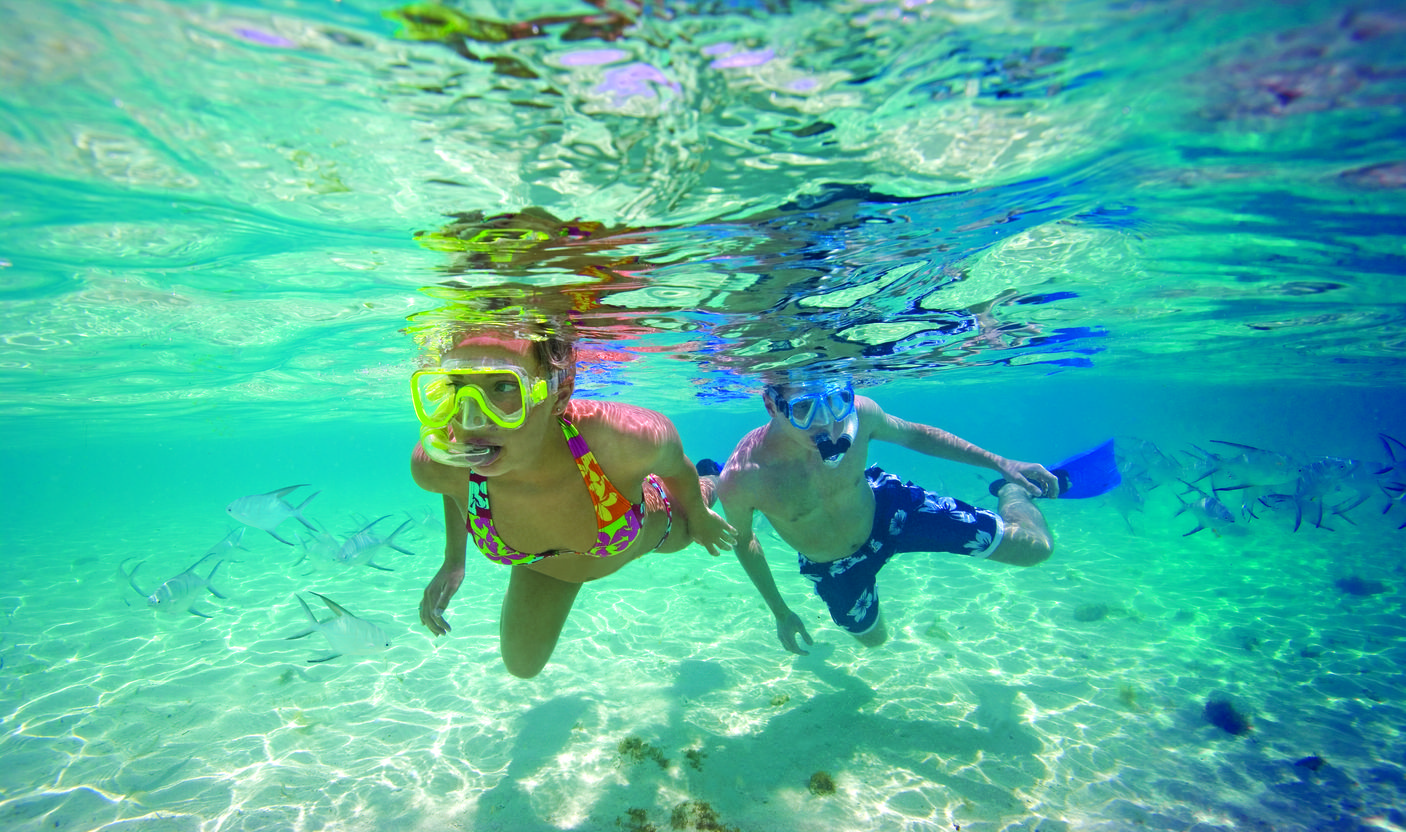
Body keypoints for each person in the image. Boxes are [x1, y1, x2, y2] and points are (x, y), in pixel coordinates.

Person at [410, 328, 736, 678]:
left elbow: (676, 466)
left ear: (559, 396)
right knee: (522, 667)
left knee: (699, 499)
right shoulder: (439, 463)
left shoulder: (626, 439)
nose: (471, 419)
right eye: (456, 387)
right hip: (546, 570)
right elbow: (452, 485)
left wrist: (701, 516)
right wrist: (453, 561)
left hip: (657, 527)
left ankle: (713, 479)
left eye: (503, 386)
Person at [710, 376, 1058, 654]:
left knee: (1035, 549)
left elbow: (915, 435)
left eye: (835, 402)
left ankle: (1011, 492)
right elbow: (744, 541)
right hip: (833, 564)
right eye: (803, 409)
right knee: (873, 639)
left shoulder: (860, 416)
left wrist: (1002, 463)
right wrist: (781, 613)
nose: (828, 426)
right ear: (771, 405)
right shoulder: (744, 477)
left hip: (889, 512)